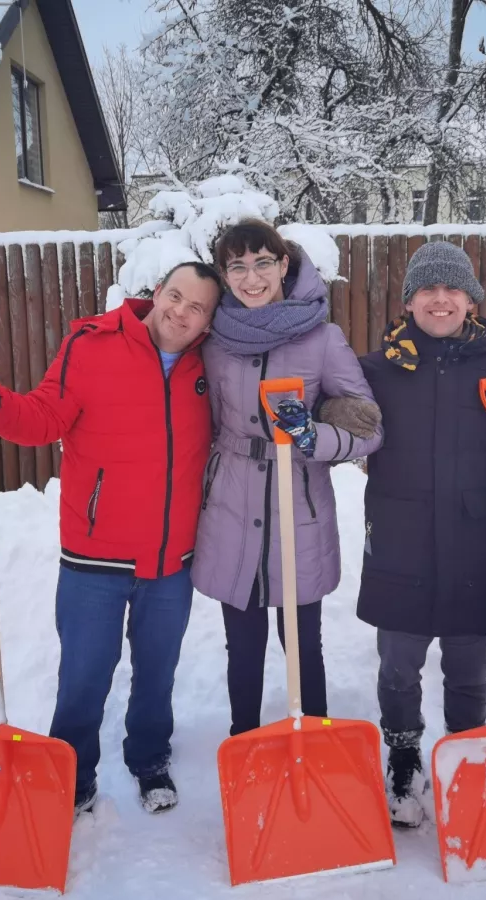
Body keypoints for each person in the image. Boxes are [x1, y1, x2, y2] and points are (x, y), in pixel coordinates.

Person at [0, 261, 222, 816]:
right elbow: (43, 418)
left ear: (209, 322)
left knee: (157, 670)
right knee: (83, 674)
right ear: (157, 293)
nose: (181, 312)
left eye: (197, 307)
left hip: (170, 557)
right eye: (176, 296)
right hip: (94, 553)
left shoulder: (210, 365)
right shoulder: (92, 344)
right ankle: (73, 772)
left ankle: (149, 758)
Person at [322, 240, 486, 828]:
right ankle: (403, 756)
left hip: (476, 538)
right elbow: (342, 429)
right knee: (399, 661)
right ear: (409, 302)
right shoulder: (378, 369)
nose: (441, 299)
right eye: (428, 289)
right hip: (400, 535)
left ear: (471, 300)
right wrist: (331, 413)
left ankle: (466, 754)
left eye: (452, 288)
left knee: (469, 664)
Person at [192, 218, 383, 737]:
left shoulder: (323, 338)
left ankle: (316, 740)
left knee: (302, 643)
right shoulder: (211, 339)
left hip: (298, 508)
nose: (251, 278)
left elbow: (370, 427)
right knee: (243, 643)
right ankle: (245, 742)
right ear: (225, 274)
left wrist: (311, 437)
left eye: (262, 264)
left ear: (283, 266)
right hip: (231, 505)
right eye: (237, 266)